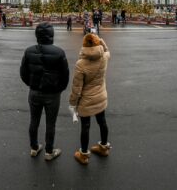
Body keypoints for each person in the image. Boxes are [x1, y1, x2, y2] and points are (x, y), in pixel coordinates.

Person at [20, 22, 70, 161]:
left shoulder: (29, 51)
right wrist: (59, 89)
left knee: (34, 121)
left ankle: (34, 148)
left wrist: (31, 84)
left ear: (37, 35)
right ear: (51, 35)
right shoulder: (59, 52)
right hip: (52, 94)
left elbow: (23, 73)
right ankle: (49, 151)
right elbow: (65, 76)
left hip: (34, 92)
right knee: (50, 123)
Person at [69, 33, 111, 165]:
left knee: (85, 126)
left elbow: (77, 89)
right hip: (101, 96)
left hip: (86, 100)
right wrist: (102, 42)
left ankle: (84, 155)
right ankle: (104, 147)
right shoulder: (104, 57)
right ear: (98, 44)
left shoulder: (81, 64)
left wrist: (72, 104)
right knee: (102, 121)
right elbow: (107, 50)